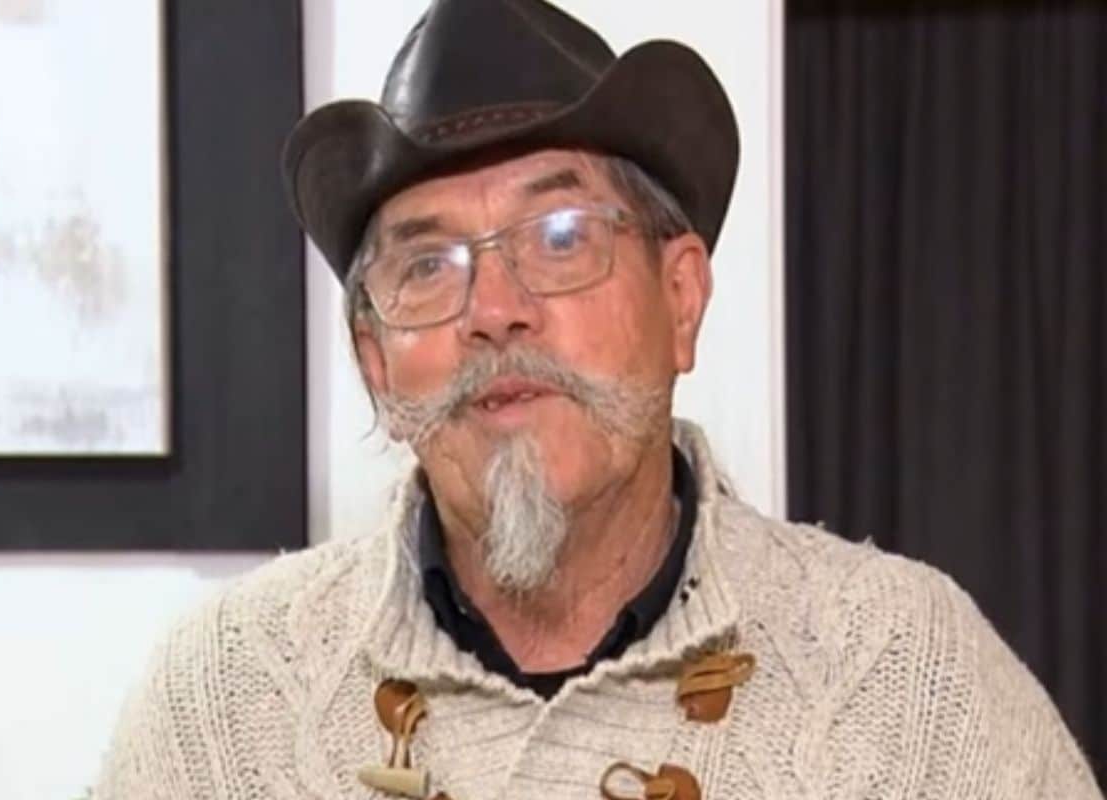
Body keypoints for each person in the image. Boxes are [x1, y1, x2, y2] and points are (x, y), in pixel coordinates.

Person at [96, 1, 1101, 798]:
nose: (496, 309)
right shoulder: (222, 705)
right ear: (376, 360)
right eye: (428, 265)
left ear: (681, 298)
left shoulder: (910, 680)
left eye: (563, 238)